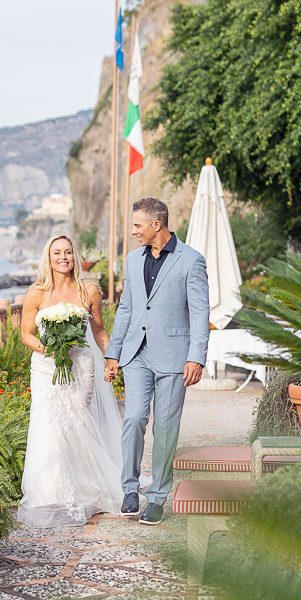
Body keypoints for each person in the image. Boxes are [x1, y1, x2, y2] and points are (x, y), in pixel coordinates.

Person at [104, 198, 210, 525]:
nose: (133, 231)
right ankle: (130, 488)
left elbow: (200, 312)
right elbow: (126, 309)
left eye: (137, 225)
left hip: (175, 357)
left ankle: (159, 496)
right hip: (137, 353)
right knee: (134, 418)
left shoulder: (191, 261)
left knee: (165, 429)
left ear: (156, 225)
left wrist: (196, 357)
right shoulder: (133, 260)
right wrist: (113, 353)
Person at [18, 234, 123, 527]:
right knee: (47, 423)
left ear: (74, 256)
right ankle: (47, 492)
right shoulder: (36, 293)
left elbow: (99, 331)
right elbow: (26, 334)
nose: (62, 257)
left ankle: (86, 487)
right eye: (56, 253)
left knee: (77, 419)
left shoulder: (89, 291)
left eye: (67, 252)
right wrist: (47, 348)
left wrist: (113, 358)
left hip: (81, 364)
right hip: (45, 367)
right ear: (48, 258)